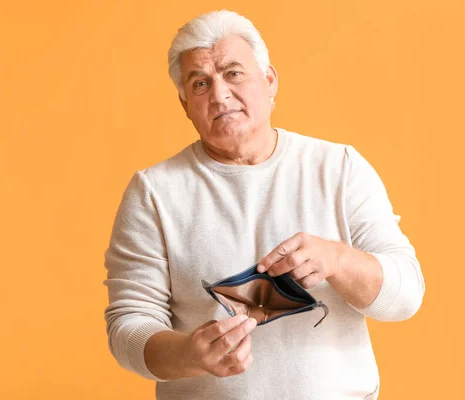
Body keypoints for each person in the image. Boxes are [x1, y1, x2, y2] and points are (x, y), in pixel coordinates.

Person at [103, 9, 425, 400]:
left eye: (233, 73)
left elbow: (406, 295)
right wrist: (190, 355)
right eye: (200, 83)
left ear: (269, 80)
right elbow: (129, 325)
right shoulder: (153, 192)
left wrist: (338, 259)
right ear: (186, 104)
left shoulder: (338, 167)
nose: (220, 94)